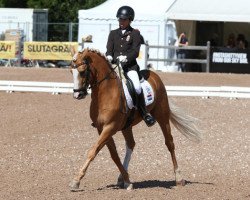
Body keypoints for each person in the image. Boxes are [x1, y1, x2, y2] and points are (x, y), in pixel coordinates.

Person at [106, 5, 156, 127]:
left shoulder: (135, 34)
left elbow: (135, 52)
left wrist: (126, 58)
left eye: (124, 19)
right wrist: (109, 56)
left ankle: (145, 113)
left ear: (130, 20)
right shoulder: (113, 34)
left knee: (137, 87)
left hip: (130, 68)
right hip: (115, 67)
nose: (121, 22)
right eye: (119, 19)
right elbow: (109, 49)